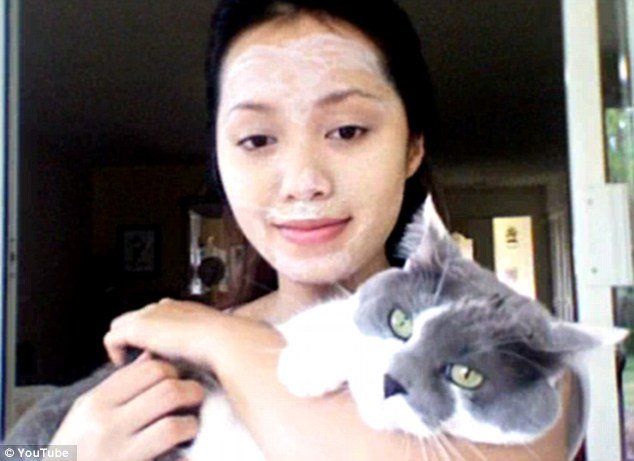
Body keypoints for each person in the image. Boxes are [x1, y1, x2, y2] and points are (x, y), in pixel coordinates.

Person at [46, 0, 572, 460]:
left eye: (347, 130)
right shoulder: (167, 361)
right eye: (256, 140)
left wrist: (219, 339)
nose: (303, 183)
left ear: (413, 147)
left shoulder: (514, 360)